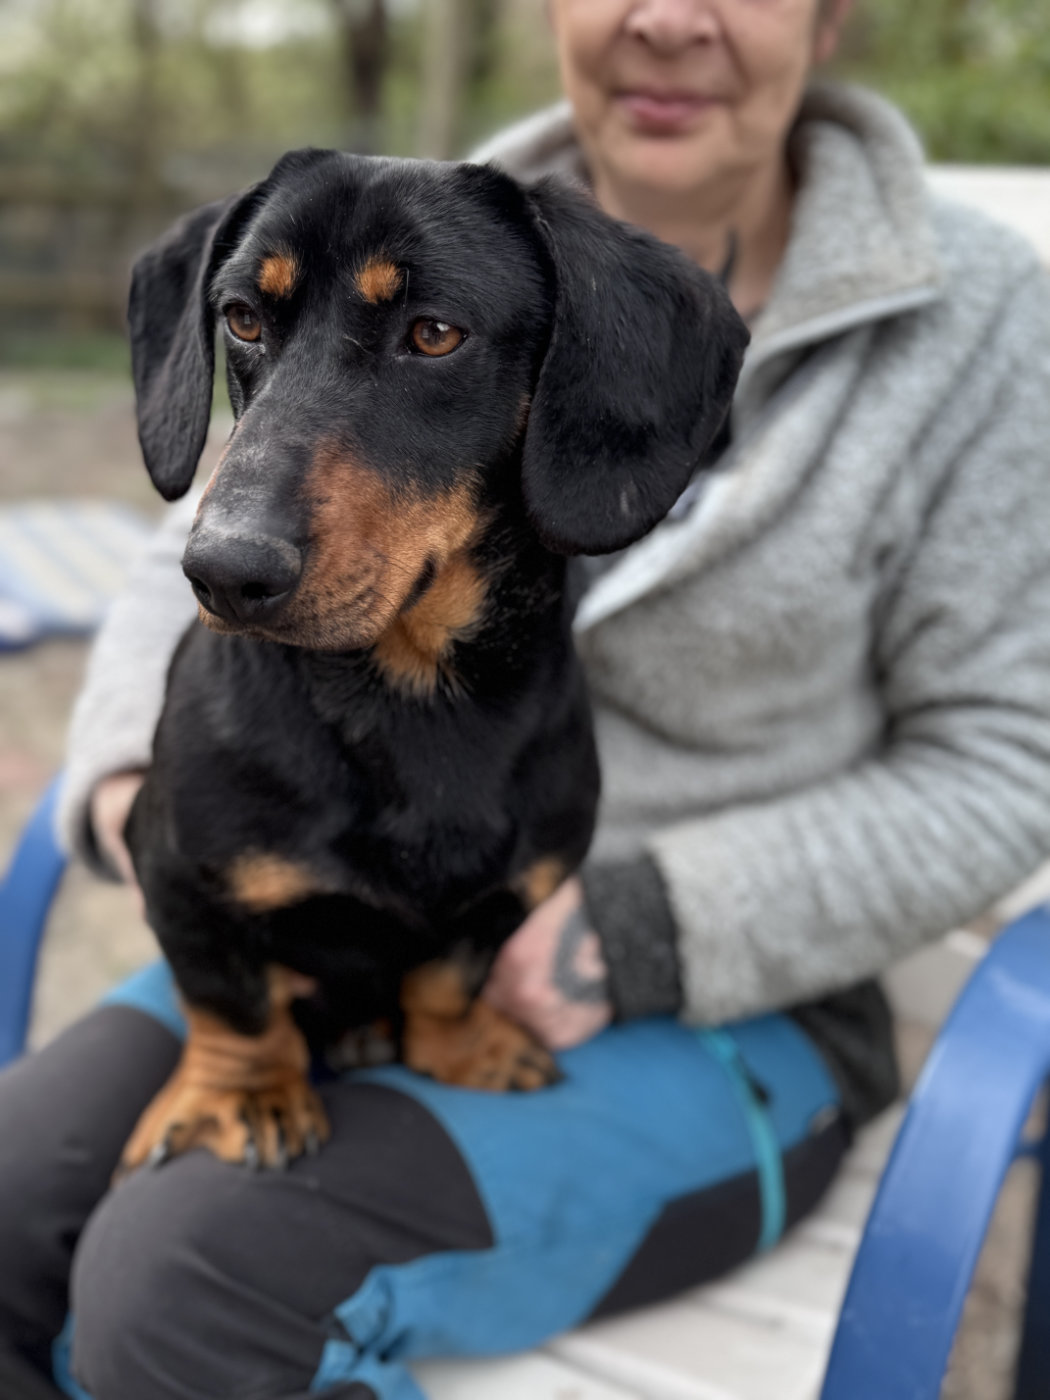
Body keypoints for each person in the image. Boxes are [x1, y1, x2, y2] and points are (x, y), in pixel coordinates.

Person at [4, 1, 1050, 1396]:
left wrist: (637, 928)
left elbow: (1009, 758)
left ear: (827, 16)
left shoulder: (980, 324)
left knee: (187, 1282)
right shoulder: (403, 214)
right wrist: (144, 795)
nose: (665, 17)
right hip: (316, 912)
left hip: (728, 1000)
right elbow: (199, 540)